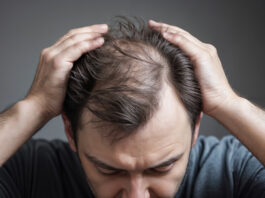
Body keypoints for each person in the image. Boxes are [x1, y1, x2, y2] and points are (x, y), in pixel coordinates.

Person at [0, 16, 264, 198]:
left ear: (195, 128)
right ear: (70, 131)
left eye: (162, 168)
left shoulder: (233, 170)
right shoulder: (28, 172)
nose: (137, 196)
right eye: (109, 170)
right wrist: (34, 107)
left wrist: (230, 104)